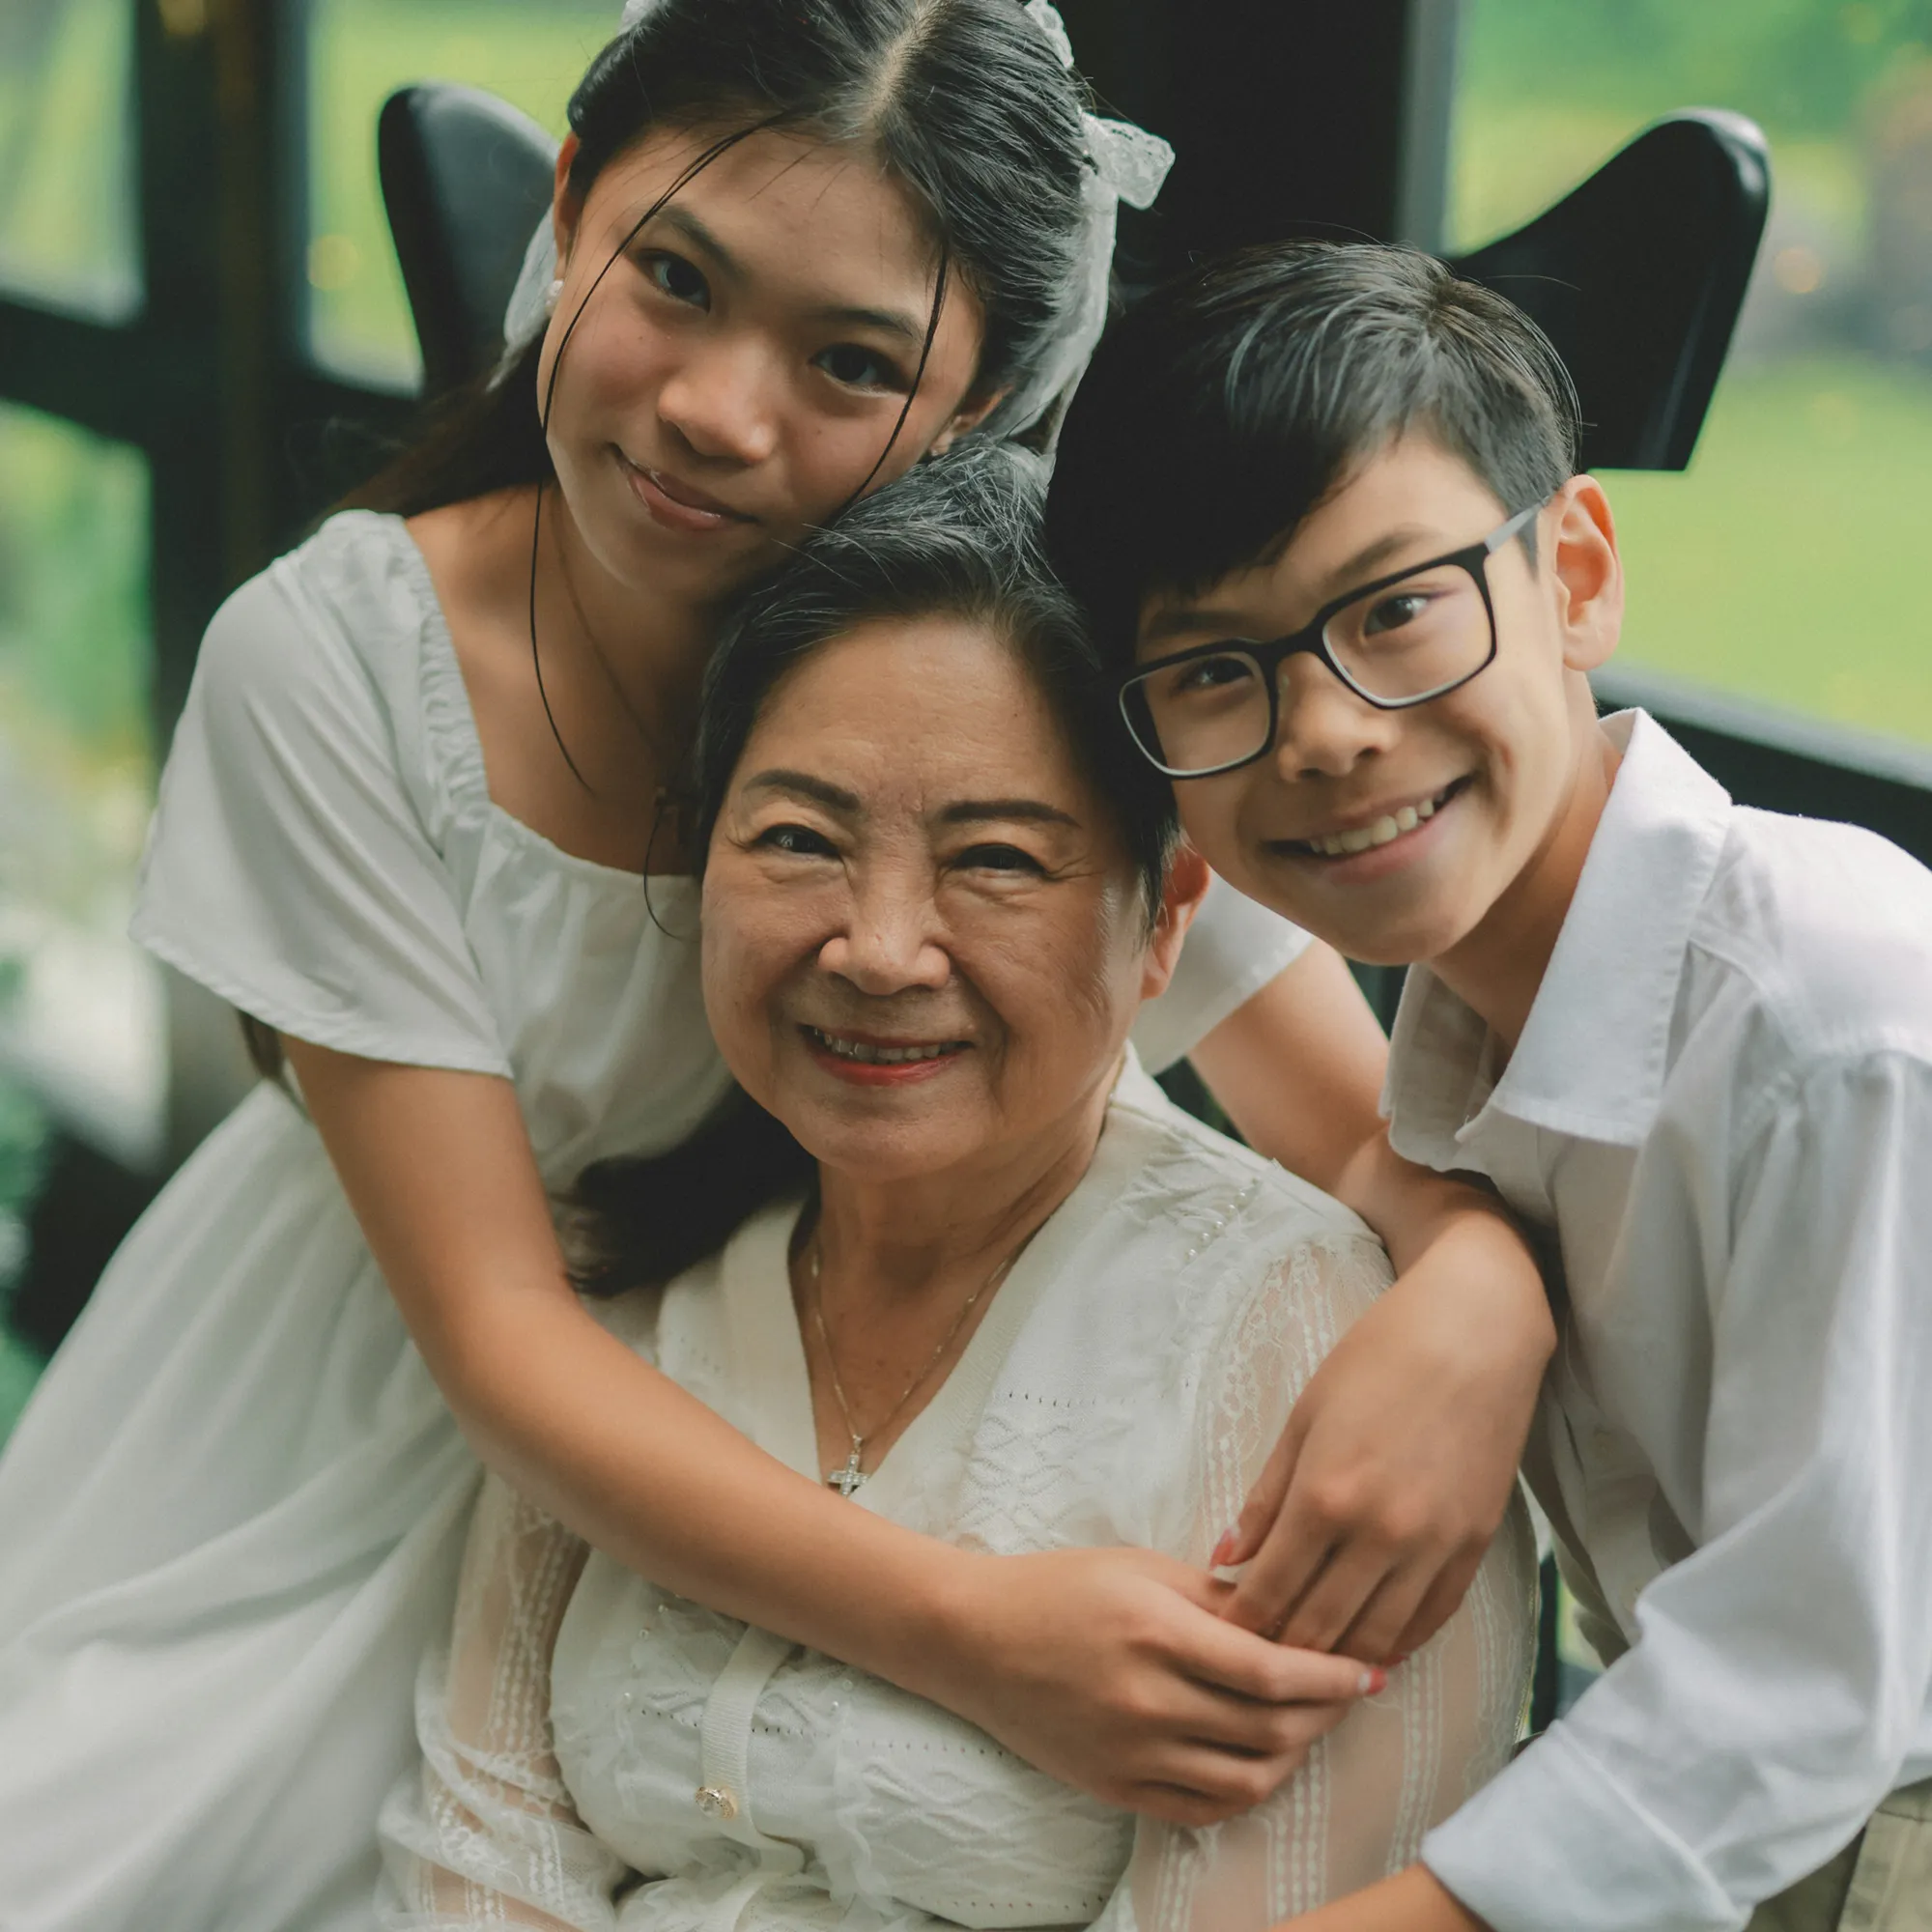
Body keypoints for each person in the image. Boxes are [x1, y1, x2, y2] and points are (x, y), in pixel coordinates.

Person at [0, 16, 1550, 1931]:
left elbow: (1355, 1132)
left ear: (987, 402)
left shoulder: (1017, 682)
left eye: (851, 362)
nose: (720, 412)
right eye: (676, 277)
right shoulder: (341, 658)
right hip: (355, 1434)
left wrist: (1483, 1292)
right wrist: (977, 1634)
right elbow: (500, 1338)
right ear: (573, 207)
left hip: (788, 1418)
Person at [375, 440, 1538, 1932]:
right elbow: (482, 1850)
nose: (877, 949)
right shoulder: (628, 1294)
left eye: (994, 860)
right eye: (799, 839)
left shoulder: (1297, 1342)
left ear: (1165, 916)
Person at [1044, 238, 1932, 1932]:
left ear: (1575, 575)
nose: (1324, 732)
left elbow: (1798, 1697)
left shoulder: (1829, 1025)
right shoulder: (1479, 1030)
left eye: (1395, 611)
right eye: (1216, 669)